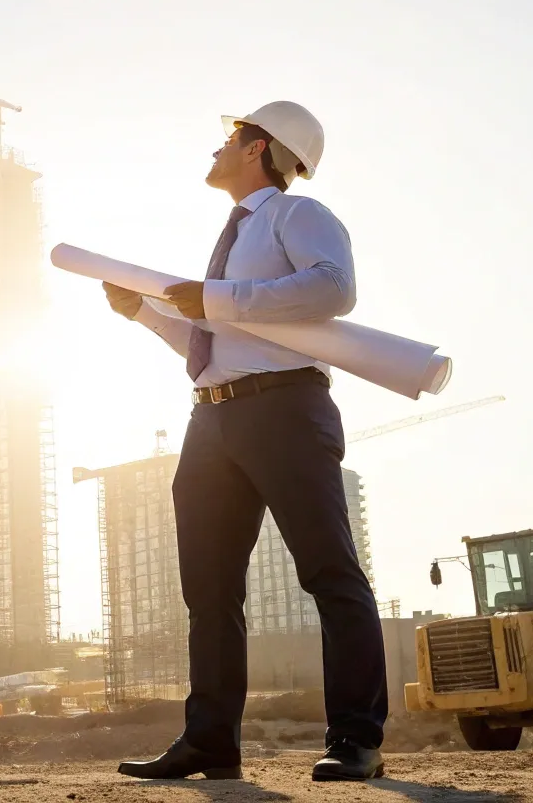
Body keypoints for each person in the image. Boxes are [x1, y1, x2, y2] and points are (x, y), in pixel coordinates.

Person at [105, 102, 386, 783]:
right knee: (208, 591)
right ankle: (210, 743)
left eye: (230, 137)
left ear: (259, 147)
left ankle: (357, 738)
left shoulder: (297, 215)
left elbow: (334, 287)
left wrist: (219, 298)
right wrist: (145, 312)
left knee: (329, 573)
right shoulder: (231, 240)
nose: (218, 147)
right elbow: (212, 343)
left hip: (285, 408)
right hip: (212, 418)